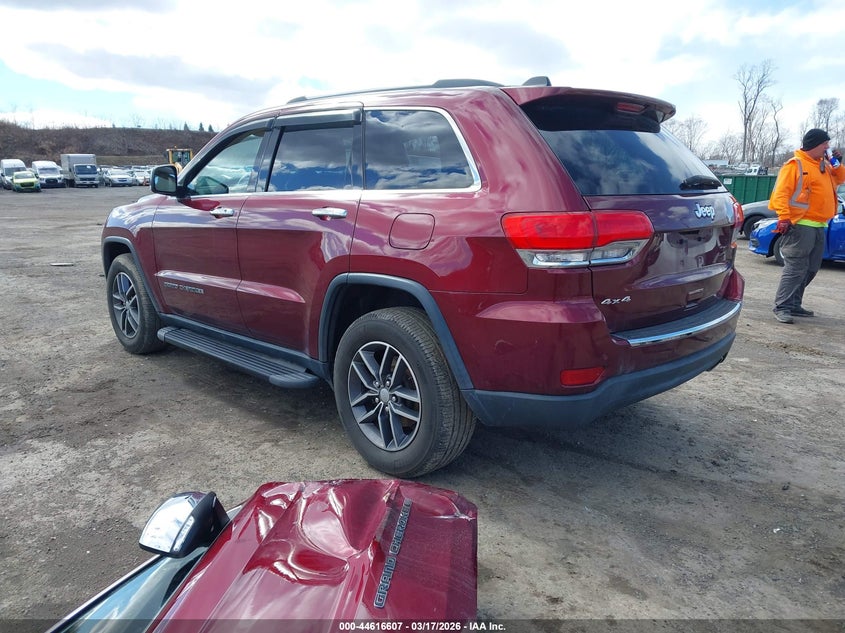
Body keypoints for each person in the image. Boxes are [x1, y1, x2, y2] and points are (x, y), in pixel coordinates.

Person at [769, 128, 844, 323]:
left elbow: (841, 179)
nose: (828, 147)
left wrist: (838, 164)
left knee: (811, 268)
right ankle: (782, 306)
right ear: (814, 145)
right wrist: (784, 217)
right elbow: (781, 194)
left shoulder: (825, 165)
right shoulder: (795, 165)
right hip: (800, 224)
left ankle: (794, 304)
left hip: (820, 224)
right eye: (824, 144)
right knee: (795, 268)